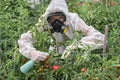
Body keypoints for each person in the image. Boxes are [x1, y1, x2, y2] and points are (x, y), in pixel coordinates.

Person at [18, 0, 105, 63]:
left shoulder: (73, 20)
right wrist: (33, 53)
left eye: (60, 18)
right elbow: (25, 39)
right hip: (55, 51)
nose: (56, 23)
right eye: (52, 19)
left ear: (65, 17)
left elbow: (100, 38)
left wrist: (76, 46)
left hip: (77, 53)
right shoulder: (44, 22)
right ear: (48, 19)